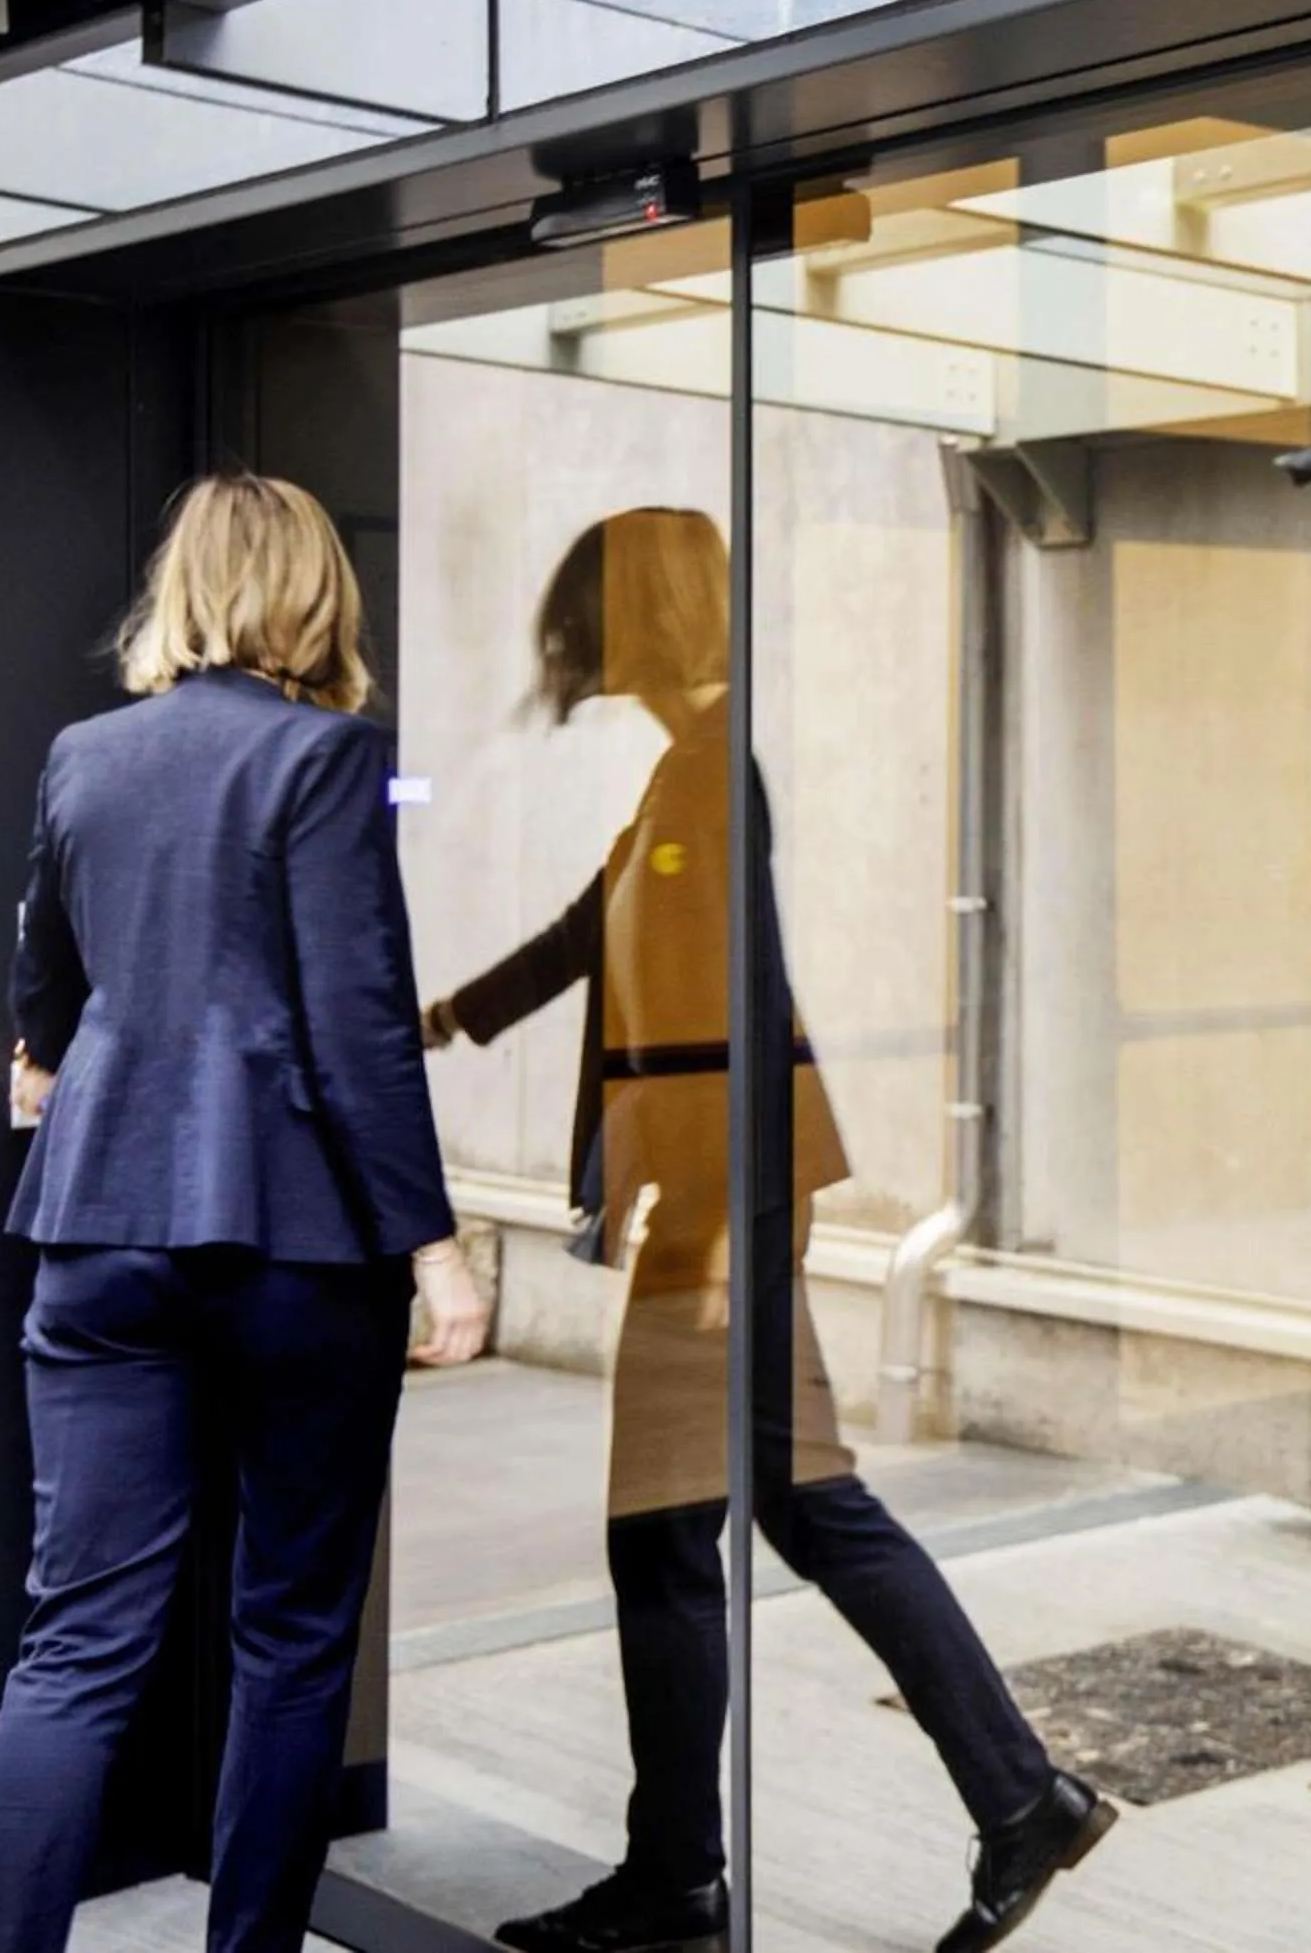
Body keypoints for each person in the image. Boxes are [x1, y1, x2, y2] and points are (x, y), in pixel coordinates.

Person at [426, 509, 1109, 1953]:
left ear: (640, 619)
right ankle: (1007, 1798)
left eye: (591, 616)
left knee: (676, 1538)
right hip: (723, 1205)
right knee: (788, 1509)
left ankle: (692, 1876)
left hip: (718, 1215)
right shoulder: (690, 771)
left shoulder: (711, 772)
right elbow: (589, 928)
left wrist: (728, 1244)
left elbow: (739, 1007)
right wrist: (442, 1016)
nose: (571, 646)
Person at [0, 474, 490, 1953]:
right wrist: (437, 1248)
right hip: (299, 1249)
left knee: (77, 1643)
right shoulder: (329, 758)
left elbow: (44, 988)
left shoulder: (85, 755)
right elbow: (359, 1023)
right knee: (292, 1635)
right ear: (315, 594)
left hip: (100, 1232)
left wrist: (52, 1070)